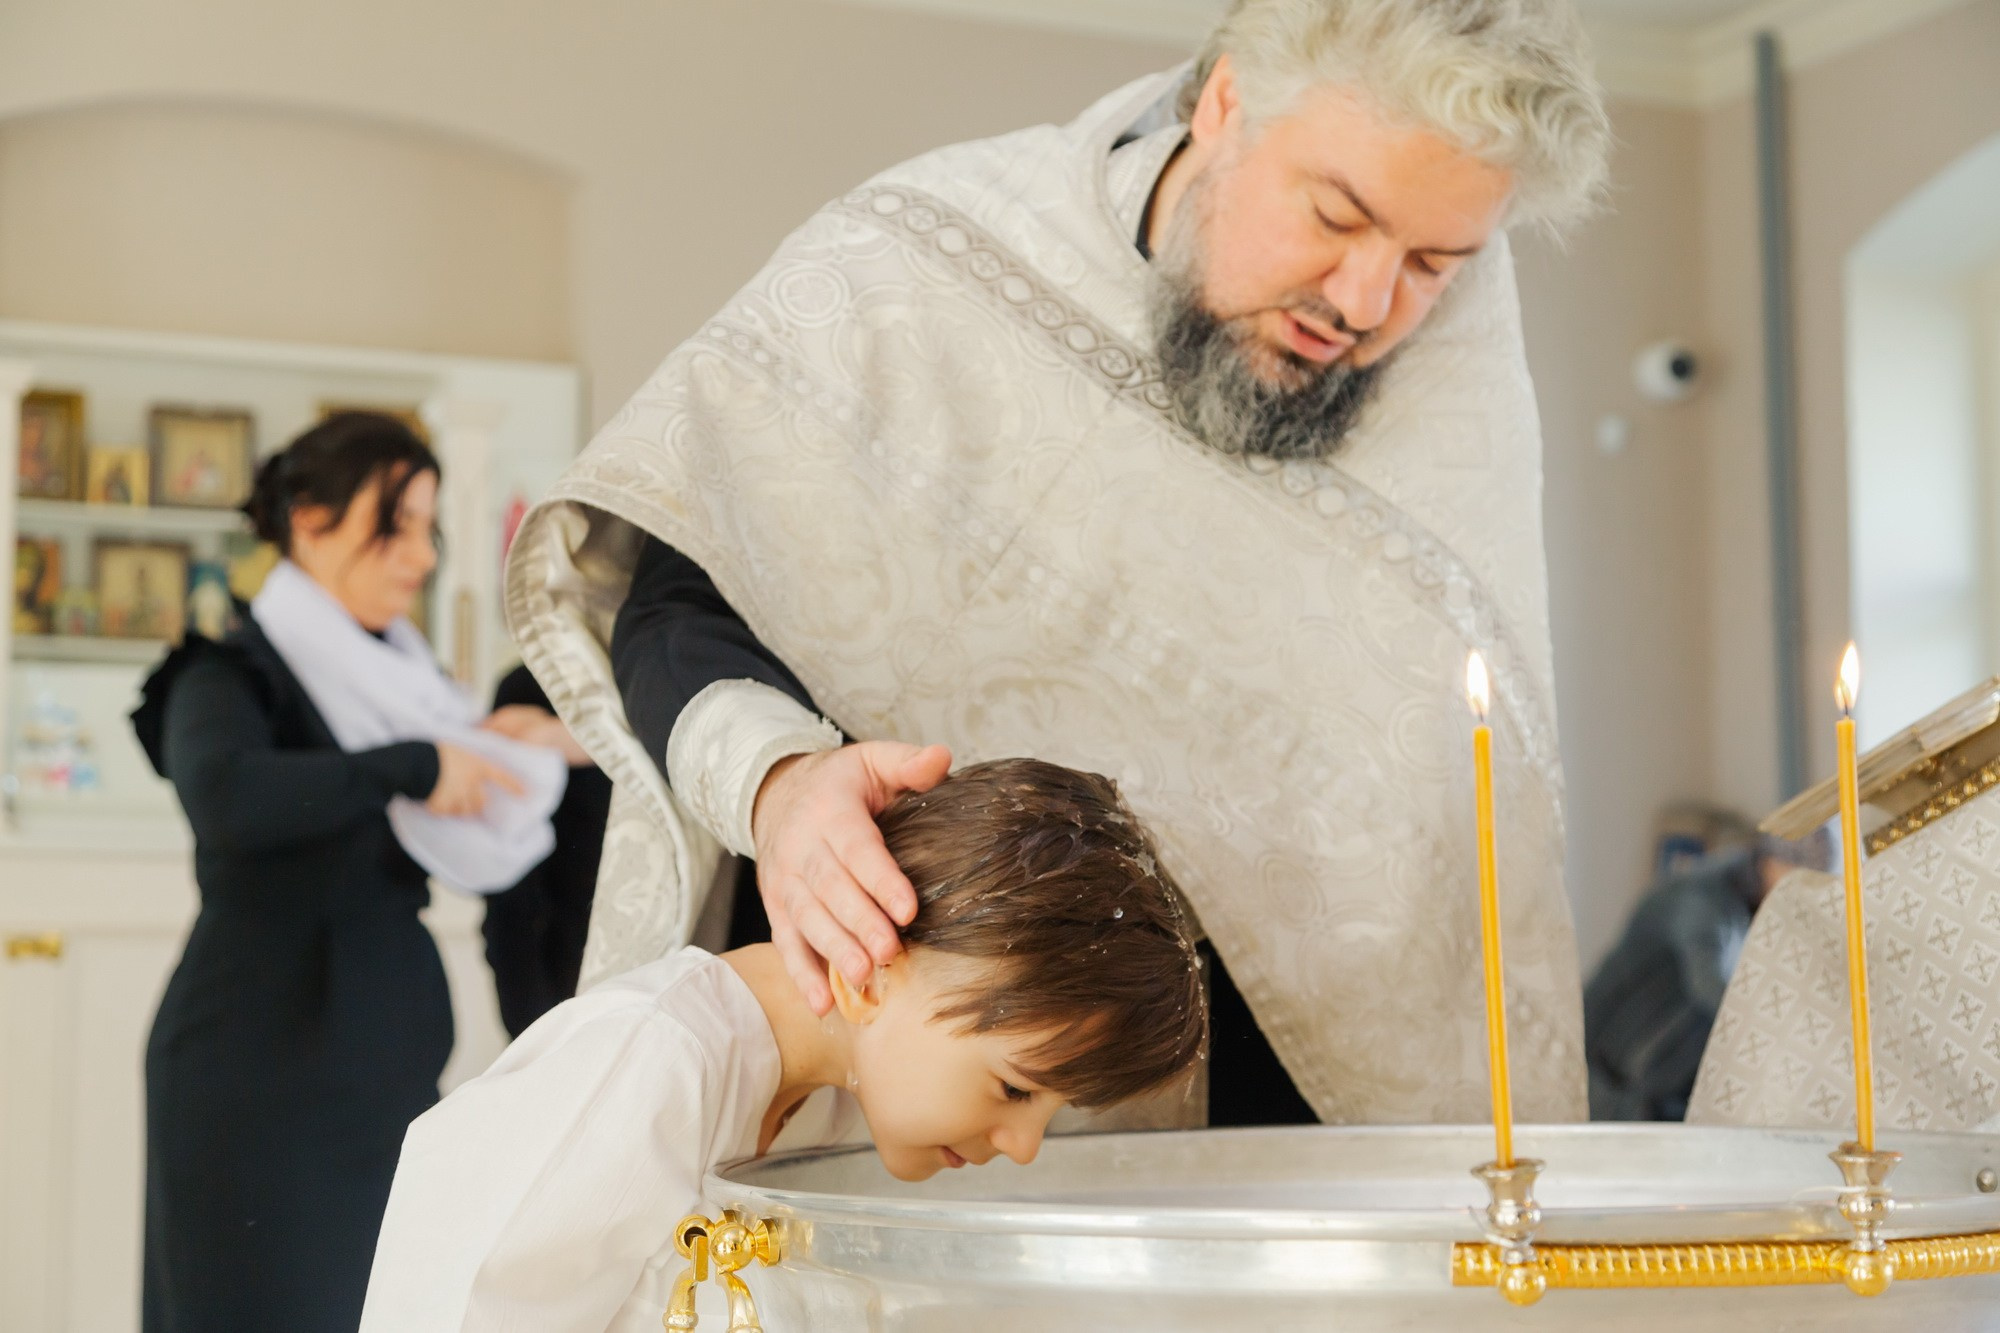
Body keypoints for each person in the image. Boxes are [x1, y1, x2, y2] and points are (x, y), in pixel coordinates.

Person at [507, 0, 1611, 1128]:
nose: (1365, 302)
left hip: (1233, 1146)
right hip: (875, 1079)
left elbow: (1432, 845)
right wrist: (782, 788)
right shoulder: (925, 255)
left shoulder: (1457, 406)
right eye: (1335, 214)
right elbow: (677, 593)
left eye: (1435, 263)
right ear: (1225, 100)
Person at [357, 758, 1207, 1331]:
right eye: (1017, 1090)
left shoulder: (830, 1116)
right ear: (869, 965)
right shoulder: (651, 1059)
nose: (1021, 1148)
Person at [131, 412, 568, 1333]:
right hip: (253, 1090)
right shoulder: (228, 673)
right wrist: (413, 764)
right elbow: (229, 795)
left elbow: (468, 761)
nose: (418, 557)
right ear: (309, 519)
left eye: (428, 529)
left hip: (377, 1094)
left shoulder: (408, 690)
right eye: (392, 524)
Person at [1585, 828, 1835, 1122]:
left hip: (1651, 1068)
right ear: (1772, 862)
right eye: (1797, 882)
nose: (1799, 899)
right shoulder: (1702, 899)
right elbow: (1711, 987)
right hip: (1614, 1063)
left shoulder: (1749, 896)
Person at [480, 662, 613, 1037]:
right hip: (554, 963)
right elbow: (510, 871)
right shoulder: (530, 685)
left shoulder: (683, 664)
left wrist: (572, 739)